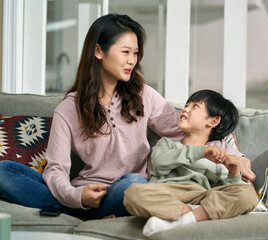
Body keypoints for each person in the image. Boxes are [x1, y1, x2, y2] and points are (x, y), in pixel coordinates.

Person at [0, 13, 184, 220]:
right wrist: (77, 196)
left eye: (135, 53)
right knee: (4, 171)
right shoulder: (69, 108)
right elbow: (56, 169)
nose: (131, 60)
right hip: (85, 189)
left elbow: (182, 131)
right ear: (98, 51)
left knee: (135, 184)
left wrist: (221, 147)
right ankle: (82, 210)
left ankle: (76, 212)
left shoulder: (144, 94)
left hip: (126, 189)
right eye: (125, 52)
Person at [123, 89, 259, 236]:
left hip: (201, 196)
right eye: (187, 105)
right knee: (132, 193)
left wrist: (234, 174)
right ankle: (191, 213)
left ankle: (187, 218)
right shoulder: (167, 144)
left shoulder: (219, 156)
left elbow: (227, 190)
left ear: (213, 121)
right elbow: (158, 162)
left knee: (247, 194)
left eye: (195, 106)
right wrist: (201, 152)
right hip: (168, 192)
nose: (186, 108)